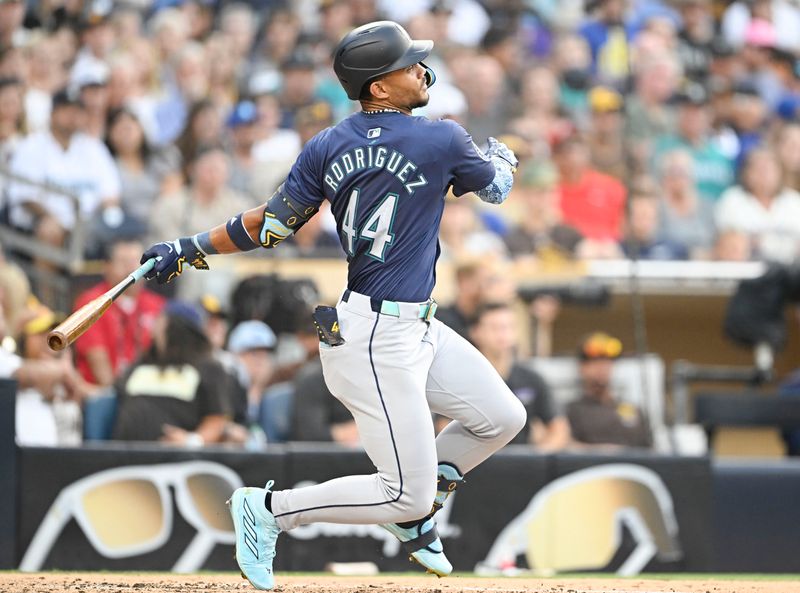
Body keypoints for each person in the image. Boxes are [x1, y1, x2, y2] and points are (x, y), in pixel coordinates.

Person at [140, 21, 526, 590]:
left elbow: (269, 227)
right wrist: (504, 158)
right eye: (408, 65)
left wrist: (188, 246)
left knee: (502, 417)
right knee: (401, 492)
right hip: (376, 339)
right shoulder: (441, 137)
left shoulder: (328, 143)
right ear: (378, 87)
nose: (422, 70)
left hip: (414, 326)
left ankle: (419, 513)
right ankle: (271, 512)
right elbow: (495, 190)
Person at [112, 301, 231, 445]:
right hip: (125, 454)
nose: (154, 327)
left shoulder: (207, 367)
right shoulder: (142, 363)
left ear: (176, 327)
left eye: (160, 320)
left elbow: (216, 418)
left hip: (176, 460)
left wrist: (192, 440)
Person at [467, 302, 570, 450]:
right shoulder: (465, 378)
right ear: (475, 332)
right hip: (474, 461)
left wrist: (537, 456)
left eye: (508, 327)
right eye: (495, 327)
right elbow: (444, 424)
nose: (502, 333)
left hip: (520, 459)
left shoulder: (532, 379)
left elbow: (559, 429)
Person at [73, 238, 166, 386]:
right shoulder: (91, 302)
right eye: (123, 262)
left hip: (146, 393)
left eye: (137, 262)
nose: (132, 269)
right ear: (107, 267)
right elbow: (97, 360)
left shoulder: (158, 306)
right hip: (103, 395)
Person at [566, 332, 653, 449]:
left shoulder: (633, 410)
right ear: (582, 367)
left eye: (608, 361)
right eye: (595, 361)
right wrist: (603, 451)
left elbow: (650, 450)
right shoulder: (571, 411)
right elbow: (565, 446)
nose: (602, 367)